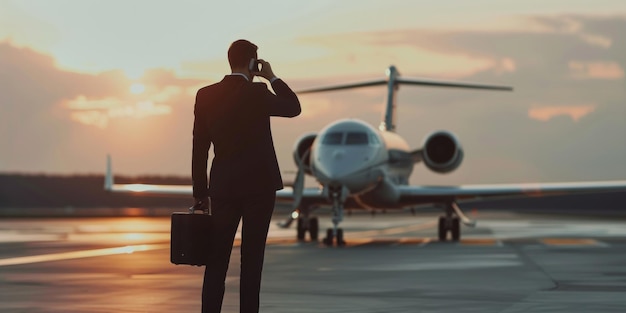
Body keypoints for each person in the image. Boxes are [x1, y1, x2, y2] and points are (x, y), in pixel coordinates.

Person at [191, 39, 301, 313]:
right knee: (252, 261)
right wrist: (272, 76)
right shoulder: (258, 92)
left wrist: (200, 193)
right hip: (259, 188)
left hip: (223, 188)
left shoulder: (205, 95)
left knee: (216, 260)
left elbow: (199, 148)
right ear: (253, 63)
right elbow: (293, 107)